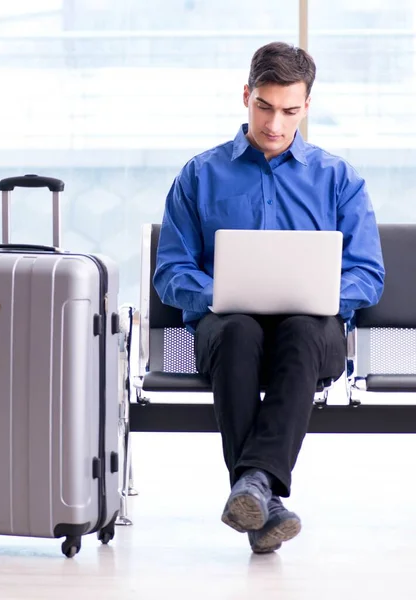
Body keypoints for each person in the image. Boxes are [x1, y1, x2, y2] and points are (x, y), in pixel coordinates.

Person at [153, 42, 385, 554]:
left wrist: (322, 294)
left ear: (306, 106)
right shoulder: (200, 175)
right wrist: (225, 293)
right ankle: (263, 498)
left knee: (302, 330)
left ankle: (253, 487)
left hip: (313, 332)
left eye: (289, 110)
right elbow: (171, 269)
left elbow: (368, 274)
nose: (275, 124)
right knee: (237, 329)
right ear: (246, 96)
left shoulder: (337, 178)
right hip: (228, 327)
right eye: (264, 106)